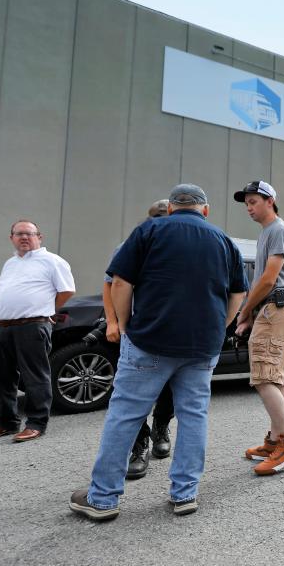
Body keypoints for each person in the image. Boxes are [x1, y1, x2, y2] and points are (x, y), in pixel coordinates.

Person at [70, 184, 247, 521]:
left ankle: (103, 498)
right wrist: (219, 327)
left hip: (149, 340)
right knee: (194, 415)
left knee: (126, 415)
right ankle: (185, 494)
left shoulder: (149, 230)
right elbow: (237, 293)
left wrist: (123, 324)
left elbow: (120, 283)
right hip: (201, 347)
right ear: (205, 210)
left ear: (170, 209)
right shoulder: (224, 241)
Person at [0, 221, 75, 442]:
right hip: (0, 327)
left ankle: (36, 423)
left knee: (35, 376)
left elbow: (67, 290)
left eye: (29, 234)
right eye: (19, 234)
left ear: (40, 237)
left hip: (31, 325)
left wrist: (47, 310)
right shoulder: (11, 263)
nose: (24, 237)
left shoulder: (52, 261)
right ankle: (7, 422)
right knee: (2, 376)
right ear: (11, 237)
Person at [101, 199, 175, 480]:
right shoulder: (132, 244)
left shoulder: (177, 245)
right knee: (133, 394)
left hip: (169, 332)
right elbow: (110, 283)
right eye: (155, 218)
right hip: (136, 332)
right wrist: (113, 321)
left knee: (169, 389)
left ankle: (161, 427)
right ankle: (139, 444)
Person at [234, 180, 284, 476]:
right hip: (272, 308)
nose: (249, 208)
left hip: (276, 307)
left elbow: (268, 279)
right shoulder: (267, 233)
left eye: (254, 201)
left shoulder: (277, 229)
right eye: (247, 203)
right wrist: (251, 313)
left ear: (270, 200)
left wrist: (245, 310)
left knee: (263, 377)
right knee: (277, 378)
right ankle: (275, 439)